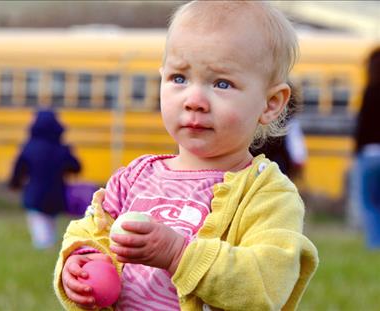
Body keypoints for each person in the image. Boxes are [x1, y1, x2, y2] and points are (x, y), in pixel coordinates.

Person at [53, 1, 318, 310]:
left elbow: (264, 286)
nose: (194, 100)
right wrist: (79, 262)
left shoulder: (268, 194)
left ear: (271, 103)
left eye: (222, 83)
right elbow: (91, 233)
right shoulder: (134, 177)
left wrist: (178, 255)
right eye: (179, 78)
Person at [9, 109, 81, 249]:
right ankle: (51, 247)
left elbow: (19, 168)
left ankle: (44, 248)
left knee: (40, 231)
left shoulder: (29, 148)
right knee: (51, 226)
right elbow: (76, 167)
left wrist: (14, 184)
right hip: (56, 196)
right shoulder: (61, 149)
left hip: (35, 197)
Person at [354, 47, 380, 248]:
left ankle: (374, 243)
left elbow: (361, 126)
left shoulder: (369, 91)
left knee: (370, 203)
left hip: (369, 153)